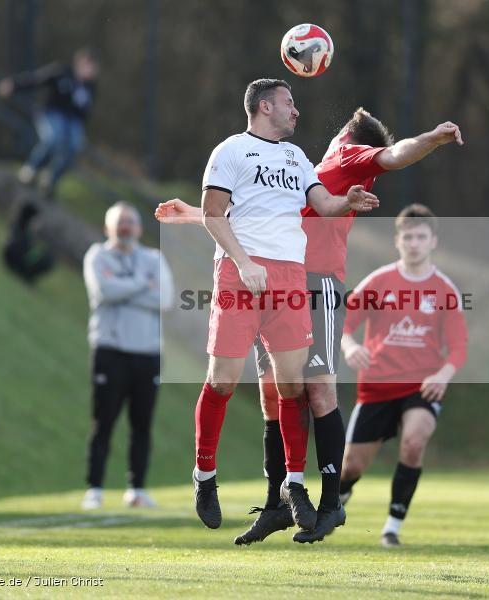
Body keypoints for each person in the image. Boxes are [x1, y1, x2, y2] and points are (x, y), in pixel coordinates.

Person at [155, 109, 463, 544]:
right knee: (273, 396)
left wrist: (430, 137)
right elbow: (255, 216)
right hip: (278, 280)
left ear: (347, 135)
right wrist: (191, 213)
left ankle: (332, 501)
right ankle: (277, 504)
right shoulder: (299, 169)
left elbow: (394, 155)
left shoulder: (347, 156)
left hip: (316, 284)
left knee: (318, 390)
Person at [181, 79, 379, 535]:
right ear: (264, 106)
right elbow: (214, 214)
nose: (297, 111)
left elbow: (323, 204)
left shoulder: (296, 159)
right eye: (289, 103)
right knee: (224, 380)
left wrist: (345, 201)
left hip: (290, 279)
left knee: (293, 389)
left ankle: (293, 484)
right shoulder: (230, 151)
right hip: (239, 275)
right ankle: (205, 476)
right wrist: (244, 262)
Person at [339, 204, 468, 547]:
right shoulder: (379, 282)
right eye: (408, 237)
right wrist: (350, 347)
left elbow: (458, 347)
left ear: (433, 241)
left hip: (420, 386)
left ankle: (393, 526)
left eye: (421, 237)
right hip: (377, 386)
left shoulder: (445, 290)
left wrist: (444, 374)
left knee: (414, 441)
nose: (414, 243)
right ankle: (341, 494)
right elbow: (346, 326)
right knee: (350, 467)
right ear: (397, 240)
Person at [81, 202, 174, 510]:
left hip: (147, 353)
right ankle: (94, 488)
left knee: (142, 424)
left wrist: (124, 288)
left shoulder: (154, 258)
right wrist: (140, 285)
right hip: (110, 351)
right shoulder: (97, 256)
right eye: (119, 222)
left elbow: (166, 297)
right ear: (108, 227)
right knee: (103, 421)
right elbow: (104, 291)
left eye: (130, 222)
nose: (125, 227)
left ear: (140, 227)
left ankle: (137, 488)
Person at [0, 48, 100, 197]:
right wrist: (14, 84)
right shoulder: (61, 72)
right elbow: (36, 80)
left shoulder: (90, 87)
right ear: (80, 63)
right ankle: (30, 169)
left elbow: (85, 112)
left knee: (74, 146)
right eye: (88, 66)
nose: (90, 71)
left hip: (73, 121)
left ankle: (50, 179)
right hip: (52, 113)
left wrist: (82, 131)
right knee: (53, 139)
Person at [2, 203, 55, 284]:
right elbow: (21, 249)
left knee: (48, 257)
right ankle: (26, 275)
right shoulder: (23, 231)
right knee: (49, 259)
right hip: (15, 261)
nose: (39, 224)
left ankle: (27, 275)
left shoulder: (21, 228)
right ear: (32, 219)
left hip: (13, 259)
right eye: (37, 220)